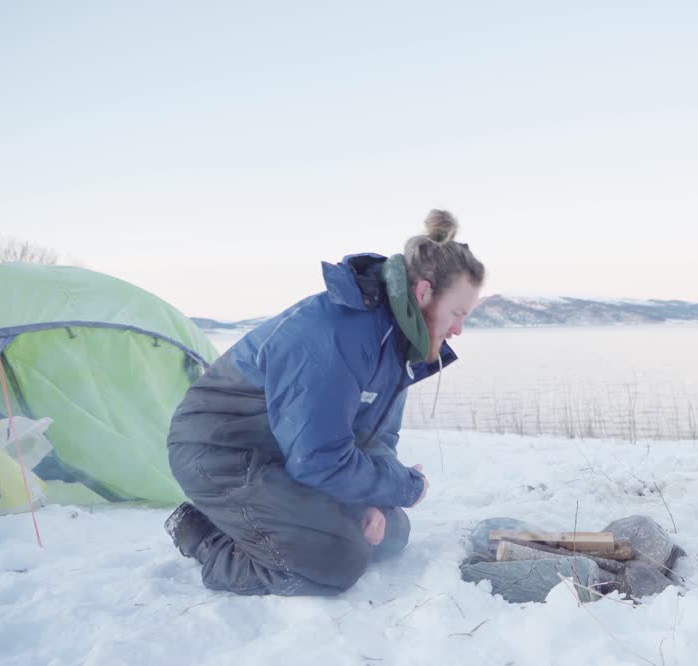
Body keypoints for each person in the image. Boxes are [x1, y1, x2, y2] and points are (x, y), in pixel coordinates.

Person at [164, 209, 485, 596]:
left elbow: (373, 437)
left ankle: (262, 518)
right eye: (457, 313)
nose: (458, 330)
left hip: (283, 454)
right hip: (221, 454)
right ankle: (201, 532)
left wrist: (377, 503)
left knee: (391, 533)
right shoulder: (336, 334)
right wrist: (402, 487)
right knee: (335, 562)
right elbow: (317, 459)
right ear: (423, 293)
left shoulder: (397, 342)